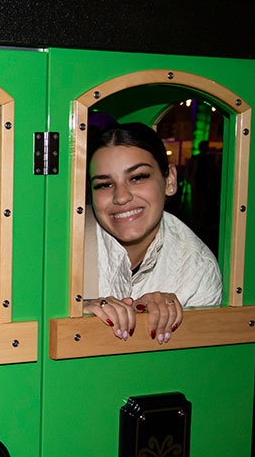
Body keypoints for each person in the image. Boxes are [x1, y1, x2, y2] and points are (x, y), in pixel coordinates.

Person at [82, 123, 221, 344]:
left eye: (138, 177)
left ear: (170, 180)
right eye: (105, 184)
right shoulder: (61, 245)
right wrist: (78, 311)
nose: (121, 196)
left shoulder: (197, 267)